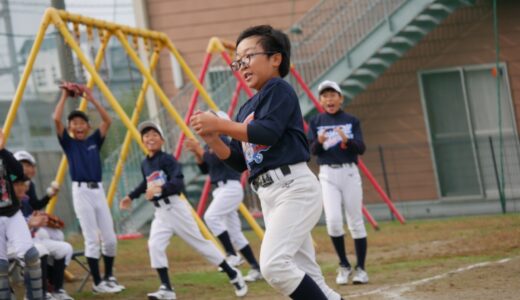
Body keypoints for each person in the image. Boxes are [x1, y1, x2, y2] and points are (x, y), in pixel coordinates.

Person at [190, 25, 343, 300]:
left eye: (249, 55)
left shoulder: (278, 89)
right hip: (269, 193)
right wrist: (214, 139)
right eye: (239, 60)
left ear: (276, 59)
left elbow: (268, 133)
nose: (242, 64)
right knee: (308, 274)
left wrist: (221, 125)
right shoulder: (245, 109)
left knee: (274, 267)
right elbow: (240, 162)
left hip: (293, 187)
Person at [119, 121, 248, 300]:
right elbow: (145, 183)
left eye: (154, 134)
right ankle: (167, 289)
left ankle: (233, 273)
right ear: (142, 140)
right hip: (161, 212)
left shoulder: (167, 159)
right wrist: (131, 196)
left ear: (162, 139)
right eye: (146, 135)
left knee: (200, 244)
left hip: (175, 208)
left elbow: (178, 181)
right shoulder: (145, 163)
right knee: (154, 245)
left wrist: (160, 189)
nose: (150, 138)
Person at [53, 82, 123, 294]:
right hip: (81, 191)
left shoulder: (94, 141)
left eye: (82, 122)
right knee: (92, 238)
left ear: (88, 126)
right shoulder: (69, 143)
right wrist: (65, 96)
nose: (79, 126)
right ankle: (97, 283)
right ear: (70, 127)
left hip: (97, 190)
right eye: (74, 123)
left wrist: (91, 97)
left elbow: (108, 120)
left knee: (110, 238)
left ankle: (109, 277)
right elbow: (56, 119)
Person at [307, 80, 368, 285]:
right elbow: (311, 151)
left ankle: (361, 268)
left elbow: (360, 148)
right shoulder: (316, 121)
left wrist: (347, 141)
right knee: (333, 221)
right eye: (325, 95)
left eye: (333, 94)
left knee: (355, 222)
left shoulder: (351, 120)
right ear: (321, 100)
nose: (329, 99)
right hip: (327, 174)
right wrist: (320, 142)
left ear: (340, 98)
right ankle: (344, 265)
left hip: (349, 173)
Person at [185, 136, 262, 282]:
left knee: (211, 217)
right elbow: (205, 169)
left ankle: (231, 254)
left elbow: (216, 159)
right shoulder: (209, 143)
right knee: (235, 233)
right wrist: (197, 153)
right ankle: (256, 268)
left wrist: (199, 150)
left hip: (230, 187)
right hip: (220, 189)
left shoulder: (222, 140)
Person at [14, 150, 74, 299]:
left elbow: (32, 211)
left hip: (30, 238)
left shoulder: (25, 197)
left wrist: (38, 219)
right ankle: (39, 292)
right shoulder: (7, 199)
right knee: (41, 248)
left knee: (65, 248)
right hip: (14, 244)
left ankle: (56, 289)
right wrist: (30, 224)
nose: (23, 186)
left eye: (24, 183)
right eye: (18, 184)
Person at [0, 129, 43, 300]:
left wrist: (2, 150)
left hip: (12, 214)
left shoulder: (3, 154)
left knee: (31, 256)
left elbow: (19, 173)